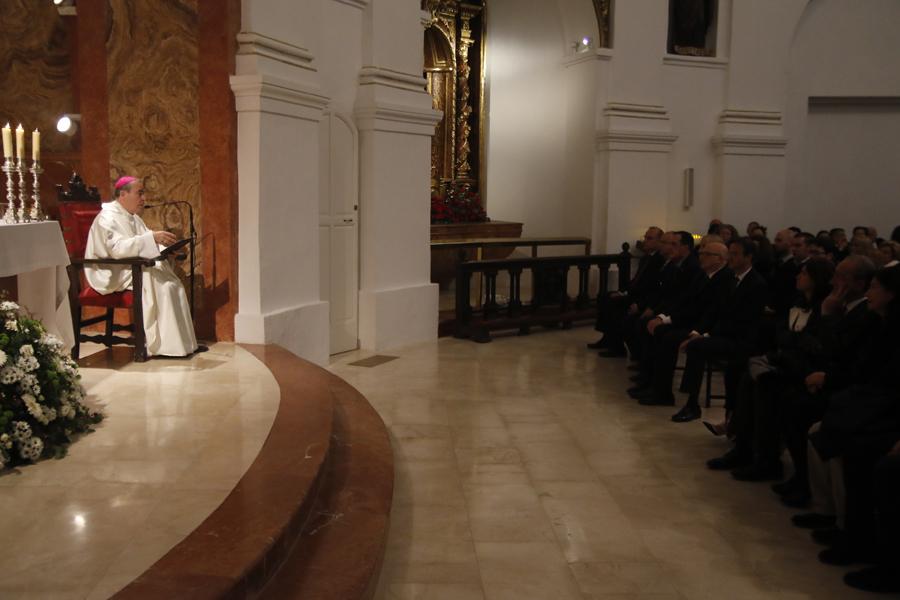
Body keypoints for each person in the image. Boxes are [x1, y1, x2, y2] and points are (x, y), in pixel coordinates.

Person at [84, 176, 200, 358]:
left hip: (130, 267)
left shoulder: (132, 218)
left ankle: (182, 345)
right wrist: (152, 238)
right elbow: (116, 249)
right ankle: (164, 347)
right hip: (110, 271)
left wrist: (167, 249)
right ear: (123, 194)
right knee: (162, 285)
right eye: (140, 193)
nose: (144, 198)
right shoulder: (107, 217)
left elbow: (145, 240)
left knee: (173, 284)